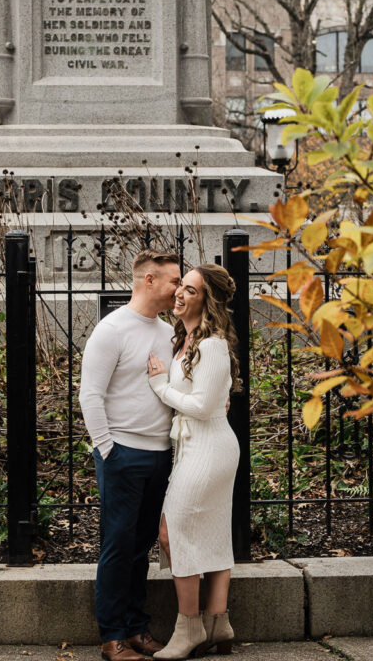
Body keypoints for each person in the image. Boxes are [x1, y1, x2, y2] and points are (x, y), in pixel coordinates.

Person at [79, 249, 182, 661]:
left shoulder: (167, 331)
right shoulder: (112, 329)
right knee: (118, 545)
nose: (179, 288)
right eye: (174, 280)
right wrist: (108, 449)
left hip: (159, 455)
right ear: (150, 280)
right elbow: (90, 395)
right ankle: (113, 637)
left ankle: (138, 629)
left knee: (141, 547)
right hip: (121, 454)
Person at [146, 265, 240, 660]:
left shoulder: (213, 345)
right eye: (180, 286)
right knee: (213, 531)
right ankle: (219, 622)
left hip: (210, 446)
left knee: (172, 530)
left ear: (207, 300)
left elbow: (202, 406)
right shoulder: (186, 340)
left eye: (191, 290)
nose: (180, 294)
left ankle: (189, 629)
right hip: (195, 445)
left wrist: (160, 386)